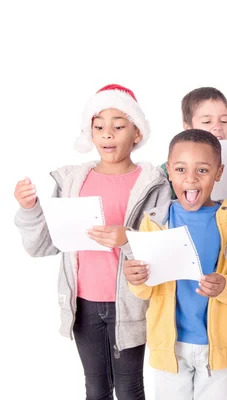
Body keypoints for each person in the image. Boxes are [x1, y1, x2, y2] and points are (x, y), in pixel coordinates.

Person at [14, 84, 171, 399]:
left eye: (118, 126)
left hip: (131, 303)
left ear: (137, 133)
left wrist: (127, 238)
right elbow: (43, 246)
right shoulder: (72, 181)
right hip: (83, 303)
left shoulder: (154, 183)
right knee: (95, 386)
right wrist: (30, 209)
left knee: (129, 387)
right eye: (99, 127)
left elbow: (163, 247)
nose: (107, 135)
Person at [124, 129, 227, 399]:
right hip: (169, 347)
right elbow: (145, 289)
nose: (190, 179)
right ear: (169, 170)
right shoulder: (155, 222)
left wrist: (226, 285)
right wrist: (136, 278)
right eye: (180, 169)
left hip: (220, 348)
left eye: (202, 170)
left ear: (219, 172)